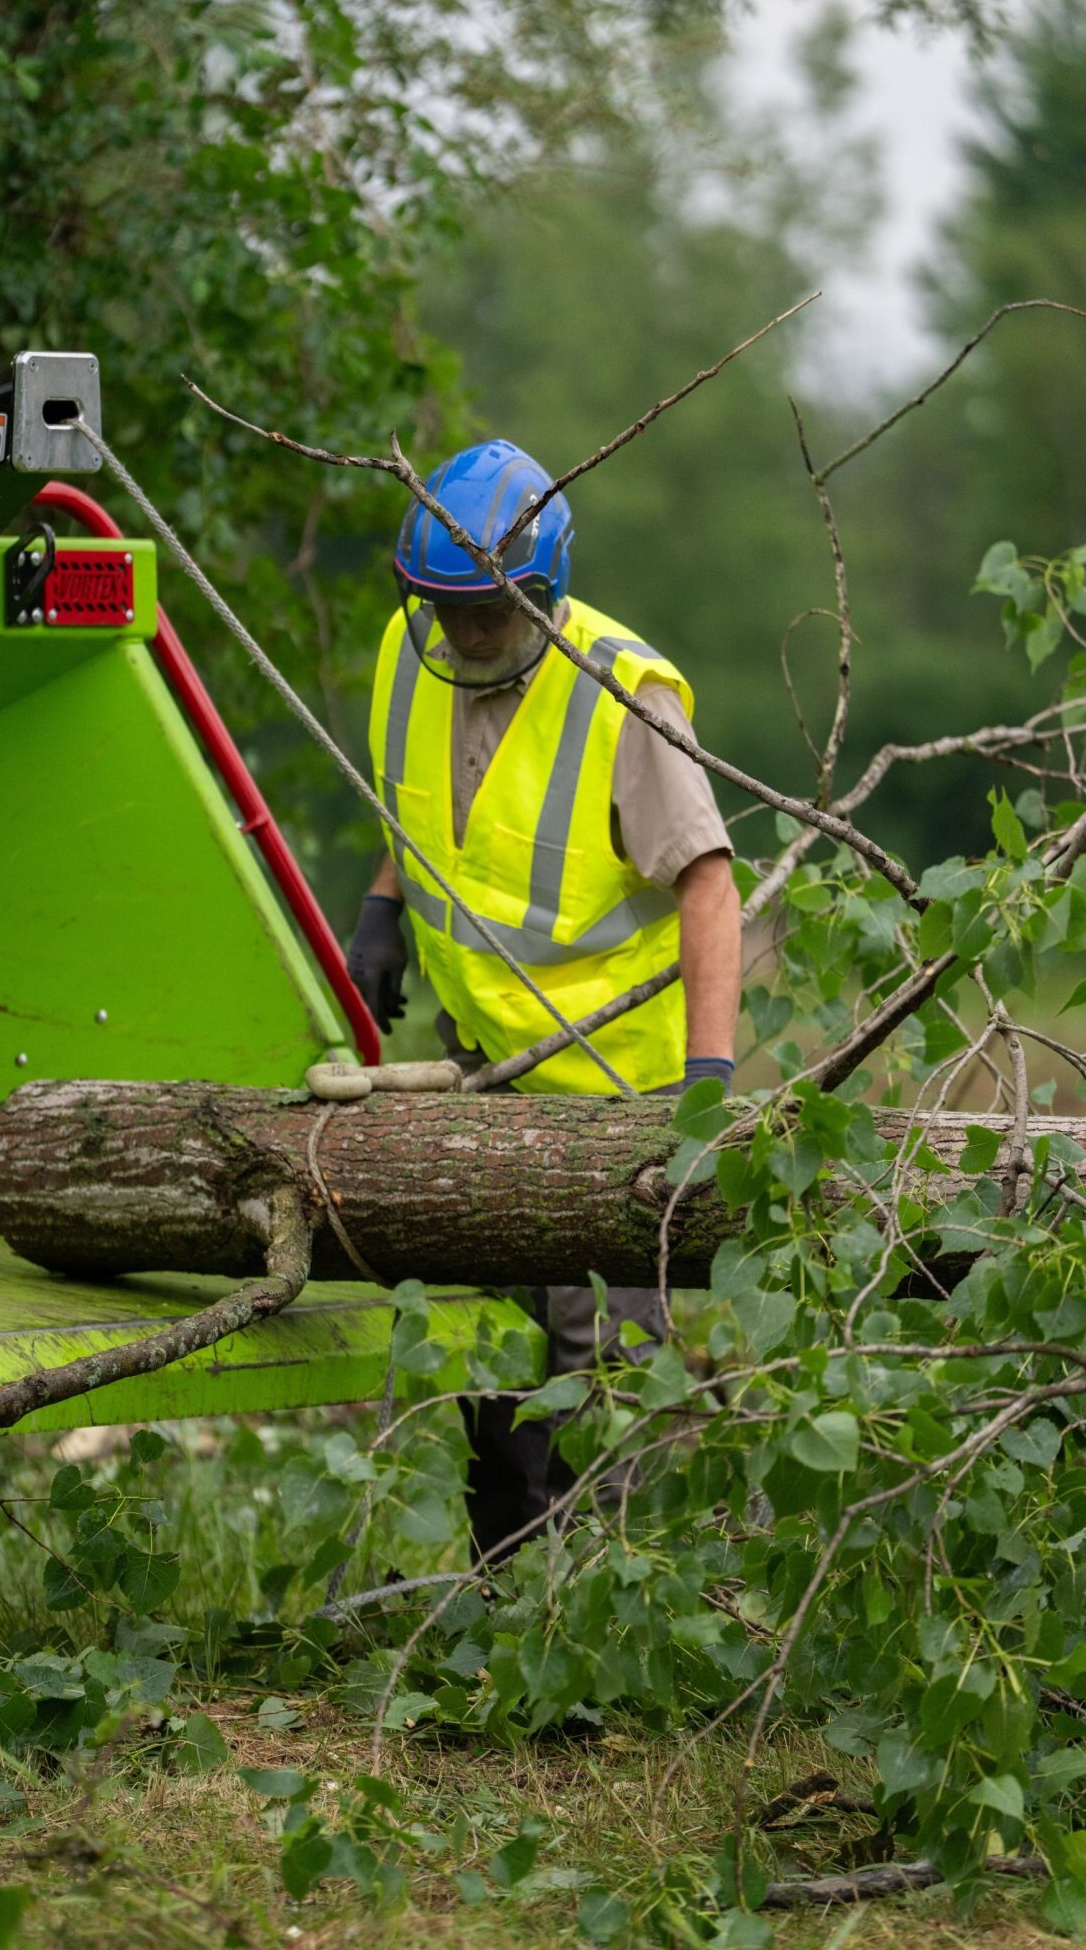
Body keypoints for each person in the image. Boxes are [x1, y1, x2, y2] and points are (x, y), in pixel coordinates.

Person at [347, 438, 741, 1558]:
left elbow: (709, 886)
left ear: (543, 592)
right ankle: (506, 1602)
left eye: (488, 615)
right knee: (492, 1360)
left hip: (613, 1104)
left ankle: (606, 1614)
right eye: (446, 611)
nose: (466, 635)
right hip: (478, 1074)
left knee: (598, 1374)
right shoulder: (408, 647)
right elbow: (435, 818)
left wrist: (704, 1090)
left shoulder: (621, 696)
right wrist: (383, 903)